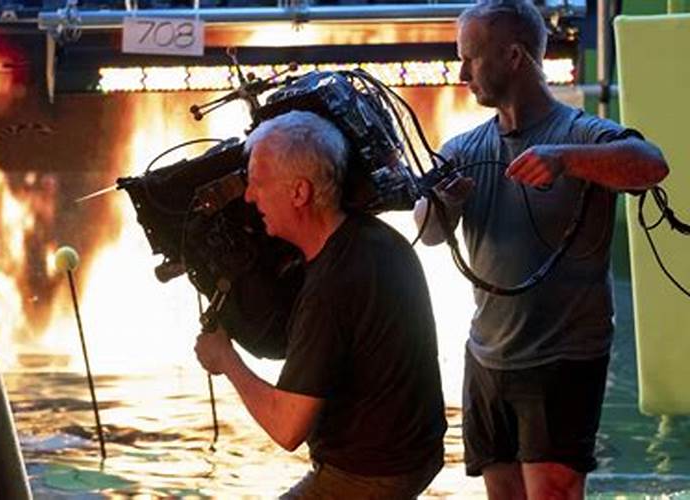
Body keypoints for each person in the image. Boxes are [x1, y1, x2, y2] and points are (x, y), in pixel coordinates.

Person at [413, 1, 670, 499]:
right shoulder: (462, 149)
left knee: (552, 491)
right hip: (486, 357)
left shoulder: (579, 133)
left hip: (563, 357)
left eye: (471, 58)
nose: (462, 73)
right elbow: (427, 233)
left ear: (513, 56)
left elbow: (651, 164)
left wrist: (565, 161)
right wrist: (442, 202)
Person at [195, 110, 447, 499]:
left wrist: (225, 359)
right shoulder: (374, 239)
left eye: (258, 183)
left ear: (299, 192)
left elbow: (287, 428)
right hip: (415, 454)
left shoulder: (332, 286)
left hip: (371, 473)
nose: (249, 196)